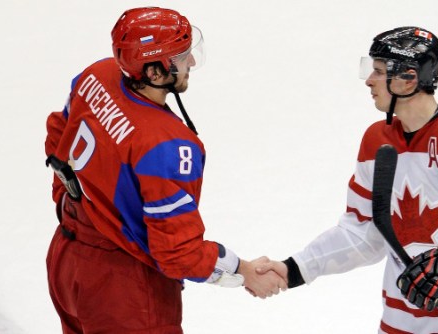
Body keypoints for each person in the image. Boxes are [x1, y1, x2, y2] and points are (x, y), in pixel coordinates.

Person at [257, 27, 438, 333]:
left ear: (409, 78)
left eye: (378, 72)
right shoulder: (377, 141)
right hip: (404, 318)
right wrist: (293, 269)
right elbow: (364, 232)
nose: (368, 80)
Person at [44, 7, 285, 333]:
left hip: (66, 258)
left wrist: (71, 205)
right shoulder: (168, 147)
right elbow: (178, 254)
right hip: (124, 292)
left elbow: (58, 133)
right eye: (182, 57)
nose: (192, 63)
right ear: (155, 72)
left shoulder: (96, 75)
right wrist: (243, 270)